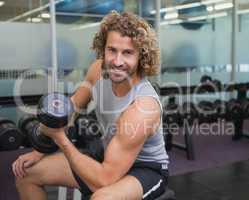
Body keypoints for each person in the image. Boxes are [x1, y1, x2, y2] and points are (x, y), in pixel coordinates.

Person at [12, 11, 169, 200]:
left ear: (141, 56)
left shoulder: (143, 107)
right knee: (26, 174)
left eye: (127, 53)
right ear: (103, 49)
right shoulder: (98, 70)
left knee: (102, 197)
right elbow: (71, 110)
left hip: (145, 169)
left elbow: (103, 180)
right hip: (108, 155)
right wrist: (40, 150)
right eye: (112, 50)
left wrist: (62, 140)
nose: (117, 62)